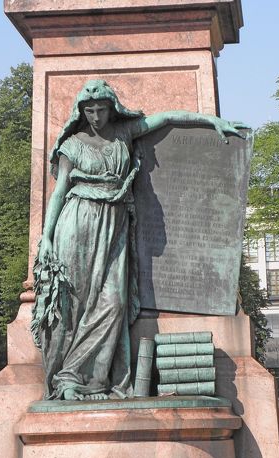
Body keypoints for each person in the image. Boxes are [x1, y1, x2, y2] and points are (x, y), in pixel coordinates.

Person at [33, 79, 246, 401]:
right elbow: (59, 191)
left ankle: (93, 379)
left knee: (114, 303)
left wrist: (210, 120)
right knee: (74, 304)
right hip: (77, 224)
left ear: (112, 108)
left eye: (101, 109)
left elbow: (167, 118)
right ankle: (69, 379)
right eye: (89, 111)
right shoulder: (72, 145)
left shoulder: (124, 133)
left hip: (115, 224)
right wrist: (47, 237)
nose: (96, 117)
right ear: (81, 112)